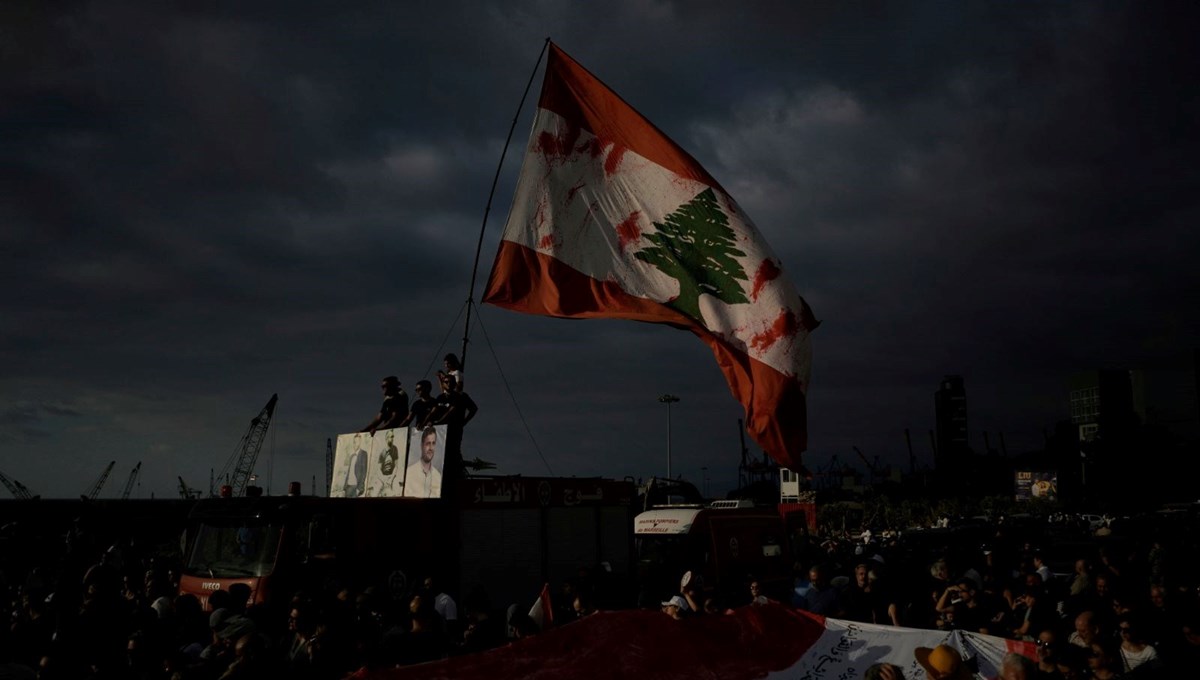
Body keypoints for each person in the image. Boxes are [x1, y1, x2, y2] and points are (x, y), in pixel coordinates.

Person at [404, 426, 443, 498]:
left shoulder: (438, 476)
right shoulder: (409, 472)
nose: (431, 448)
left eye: (433, 443)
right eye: (428, 443)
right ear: (422, 445)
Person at [368, 430, 402, 497]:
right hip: (382, 477)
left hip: (392, 476)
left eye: (393, 437)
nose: (392, 438)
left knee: (398, 492)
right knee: (375, 493)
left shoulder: (395, 449)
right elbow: (378, 469)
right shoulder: (382, 452)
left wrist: (391, 479)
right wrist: (383, 479)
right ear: (386, 438)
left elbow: (396, 466)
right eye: (391, 437)